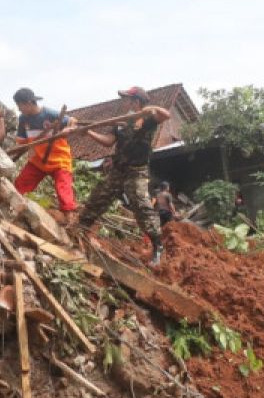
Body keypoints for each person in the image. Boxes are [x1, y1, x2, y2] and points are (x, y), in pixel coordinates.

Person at [78, 86, 172, 266]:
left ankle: (157, 246)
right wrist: (88, 132)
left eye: (127, 99)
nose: (124, 102)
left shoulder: (148, 118)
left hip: (137, 171)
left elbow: (166, 115)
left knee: (140, 204)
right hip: (118, 170)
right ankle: (81, 229)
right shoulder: (121, 121)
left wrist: (149, 109)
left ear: (136, 101)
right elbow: (108, 142)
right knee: (99, 197)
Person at [11, 88, 78, 219]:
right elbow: (21, 140)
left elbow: (73, 121)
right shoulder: (23, 119)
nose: (19, 109)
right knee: (20, 185)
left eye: (20, 106)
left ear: (29, 103)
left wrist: (68, 129)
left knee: (64, 190)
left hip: (59, 159)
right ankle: (12, 208)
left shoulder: (48, 113)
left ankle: (70, 218)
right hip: (39, 160)